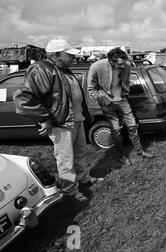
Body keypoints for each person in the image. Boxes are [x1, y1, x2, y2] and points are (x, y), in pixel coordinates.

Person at [14, 39, 97, 205]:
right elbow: (23, 97)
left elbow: (72, 95)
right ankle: (70, 190)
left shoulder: (64, 69)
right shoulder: (42, 69)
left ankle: (84, 179)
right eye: (70, 55)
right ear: (57, 55)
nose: (74, 58)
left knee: (80, 153)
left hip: (76, 120)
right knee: (65, 159)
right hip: (61, 123)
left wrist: (85, 114)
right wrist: (44, 118)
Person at [87, 47, 154, 166]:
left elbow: (126, 81)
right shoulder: (96, 67)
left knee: (133, 126)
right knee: (116, 131)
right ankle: (122, 156)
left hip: (122, 100)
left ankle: (140, 151)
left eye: (124, 64)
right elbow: (91, 89)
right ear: (111, 61)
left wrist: (124, 94)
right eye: (120, 65)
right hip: (107, 103)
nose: (123, 67)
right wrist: (105, 100)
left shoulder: (126, 64)